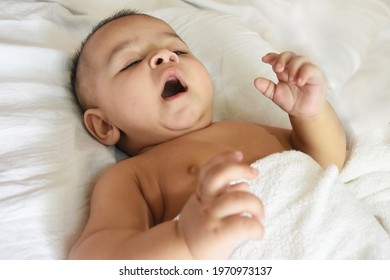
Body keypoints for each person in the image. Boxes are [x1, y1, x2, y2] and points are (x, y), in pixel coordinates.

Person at [68, 9, 346, 259]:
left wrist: (311, 113)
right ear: (104, 125)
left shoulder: (246, 130)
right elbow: (95, 255)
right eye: (131, 62)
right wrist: (183, 240)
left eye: (179, 49)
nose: (165, 56)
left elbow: (325, 163)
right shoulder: (134, 175)